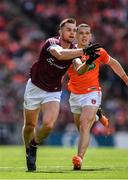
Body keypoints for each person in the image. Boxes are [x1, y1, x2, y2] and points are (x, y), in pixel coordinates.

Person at [22, 18, 100, 171]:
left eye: (73, 30)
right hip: (34, 88)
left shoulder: (74, 52)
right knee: (30, 125)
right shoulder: (51, 43)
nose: (72, 32)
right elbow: (60, 54)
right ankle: (27, 150)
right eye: (68, 29)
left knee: (49, 125)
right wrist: (84, 50)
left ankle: (33, 145)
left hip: (53, 91)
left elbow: (79, 69)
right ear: (60, 32)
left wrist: (89, 62)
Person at [67, 24, 128, 170]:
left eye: (87, 33)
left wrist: (127, 80)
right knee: (81, 128)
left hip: (92, 92)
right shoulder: (71, 52)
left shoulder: (99, 51)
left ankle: (79, 159)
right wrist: (88, 61)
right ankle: (97, 115)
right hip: (75, 95)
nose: (84, 36)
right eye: (81, 33)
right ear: (76, 36)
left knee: (84, 125)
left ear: (90, 35)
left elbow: (113, 63)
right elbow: (79, 70)